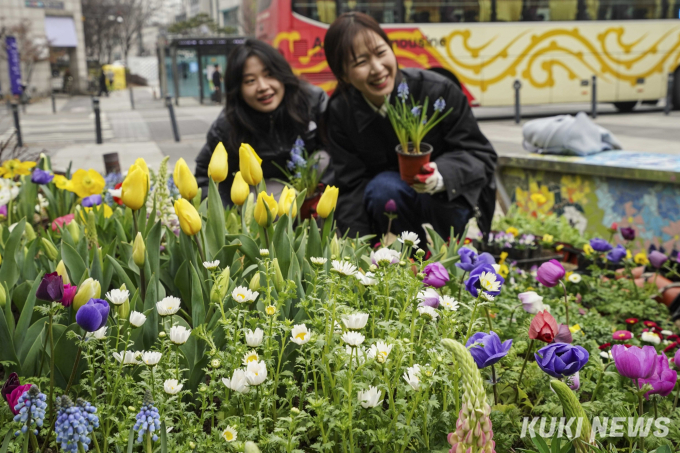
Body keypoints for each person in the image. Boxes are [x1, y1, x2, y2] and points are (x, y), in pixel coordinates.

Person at [323, 12, 497, 241]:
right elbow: (351, 187)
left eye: (381, 53)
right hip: (393, 202)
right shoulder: (339, 112)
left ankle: (452, 255)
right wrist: (359, 250)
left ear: (392, 50)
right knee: (383, 189)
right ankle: (414, 259)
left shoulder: (437, 91)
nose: (377, 68)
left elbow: (481, 155)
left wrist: (441, 174)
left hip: (448, 198)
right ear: (343, 75)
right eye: (361, 62)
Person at [195, 39, 328, 203]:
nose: (263, 86)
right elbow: (204, 176)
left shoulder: (312, 101)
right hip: (266, 205)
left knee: (324, 159)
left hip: (315, 192)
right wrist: (226, 213)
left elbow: (339, 155)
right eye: (250, 80)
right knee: (268, 197)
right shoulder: (227, 126)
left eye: (269, 75)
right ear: (238, 89)